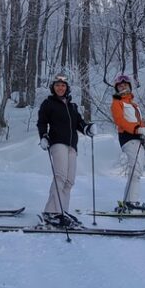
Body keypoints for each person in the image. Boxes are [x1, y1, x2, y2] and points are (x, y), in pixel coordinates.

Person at [36, 73, 94, 228]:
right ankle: (52, 212)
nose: (60, 88)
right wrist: (43, 136)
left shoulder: (72, 106)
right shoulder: (48, 103)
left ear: (67, 88)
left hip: (72, 145)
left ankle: (62, 212)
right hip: (57, 142)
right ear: (53, 87)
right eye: (57, 85)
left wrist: (87, 128)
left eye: (63, 85)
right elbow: (42, 122)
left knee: (69, 180)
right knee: (60, 176)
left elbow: (79, 123)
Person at [110, 73, 145, 214]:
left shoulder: (134, 104)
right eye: (120, 85)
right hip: (128, 137)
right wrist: (136, 129)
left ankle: (128, 201)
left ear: (129, 86)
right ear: (117, 88)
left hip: (137, 138)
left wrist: (144, 131)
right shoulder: (117, 102)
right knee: (136, 170)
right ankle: (132, 202)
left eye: (125, 84)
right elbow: (120, 121)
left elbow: (139, 121)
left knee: (136, 170)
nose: (122, 87)